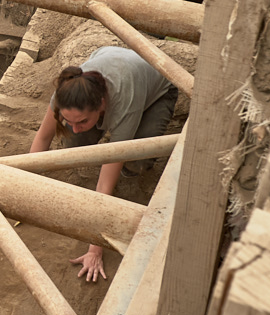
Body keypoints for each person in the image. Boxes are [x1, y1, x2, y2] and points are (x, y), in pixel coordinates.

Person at [28, 47, 178, 283]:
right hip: (117, 65)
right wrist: (24, 187)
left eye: (83, 120)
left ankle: (132, 159)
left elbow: (106, 182)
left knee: (137, 160)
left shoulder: (124, 100)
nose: (74, 127)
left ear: (101, 105)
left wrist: (95, 249)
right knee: (76, 146)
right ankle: (94, 128)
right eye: (68, 120)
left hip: (155, 89)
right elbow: (43, 138)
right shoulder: (66, 94)